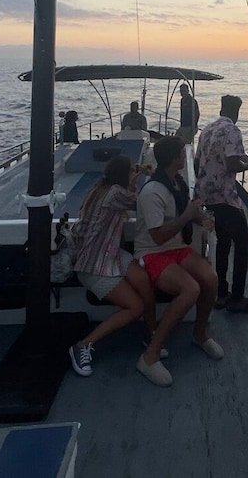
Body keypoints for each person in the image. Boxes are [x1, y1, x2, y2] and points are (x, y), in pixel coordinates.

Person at [134, 136, 222, 386]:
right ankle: (149, 356)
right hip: (152, 252)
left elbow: (185, 216)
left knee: (210, 278)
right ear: (175, 160)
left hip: (176, 248)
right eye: (182, 156)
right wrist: (187, 216)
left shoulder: (177, 183)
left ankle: (200, 333)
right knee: (190, 289)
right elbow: (159, 236)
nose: (185, 159)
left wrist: (200, 218)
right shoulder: (152, 192)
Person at [68, 155, 158, 377]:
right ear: (124, 175)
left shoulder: (100, 188)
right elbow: (142, 203)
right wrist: (142, 179)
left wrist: (133, 178)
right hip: (93, 263)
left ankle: (151, 334)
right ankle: (82, 346)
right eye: (131, 171)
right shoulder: (116, 193)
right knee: (135, 307)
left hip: (110, 253)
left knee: (143, 280)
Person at [194, 95, 248, 314]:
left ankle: (221, 294)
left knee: (223, 243)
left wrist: (245, 158)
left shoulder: (207, 129)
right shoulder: (233, 130)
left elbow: (197, 162)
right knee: (242, 243)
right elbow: (232, 163)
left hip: (206, 197)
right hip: (225, 198)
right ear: (236, 112)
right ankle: (238, 298)